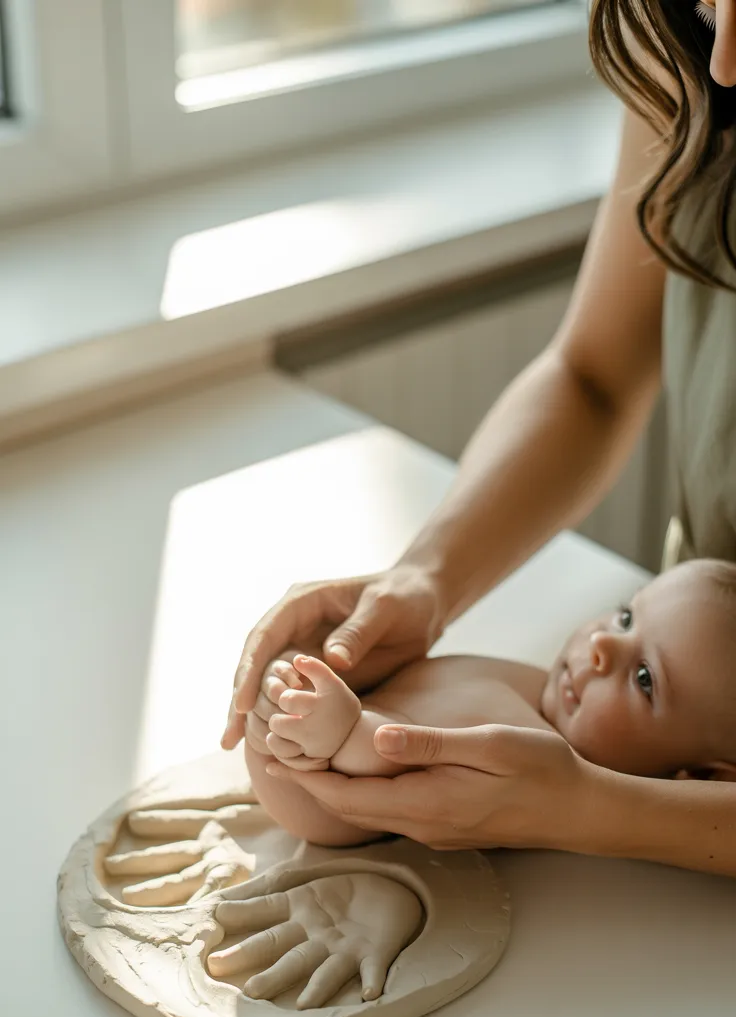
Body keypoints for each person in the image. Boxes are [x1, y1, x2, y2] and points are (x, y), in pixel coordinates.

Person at [222, 0, 736, 874]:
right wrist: (423, 578)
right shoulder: (690, 52)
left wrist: (607, 812)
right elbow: (594, 379)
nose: (722, 60)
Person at [243, 560, 736, 846]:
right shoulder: (545, 692)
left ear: (697, 779)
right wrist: (318, 664)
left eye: (645, 678)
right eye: (627, 617)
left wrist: (342, 731)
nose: (602, 645)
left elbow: (399, 760)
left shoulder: (533, 754)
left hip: (319, 789)